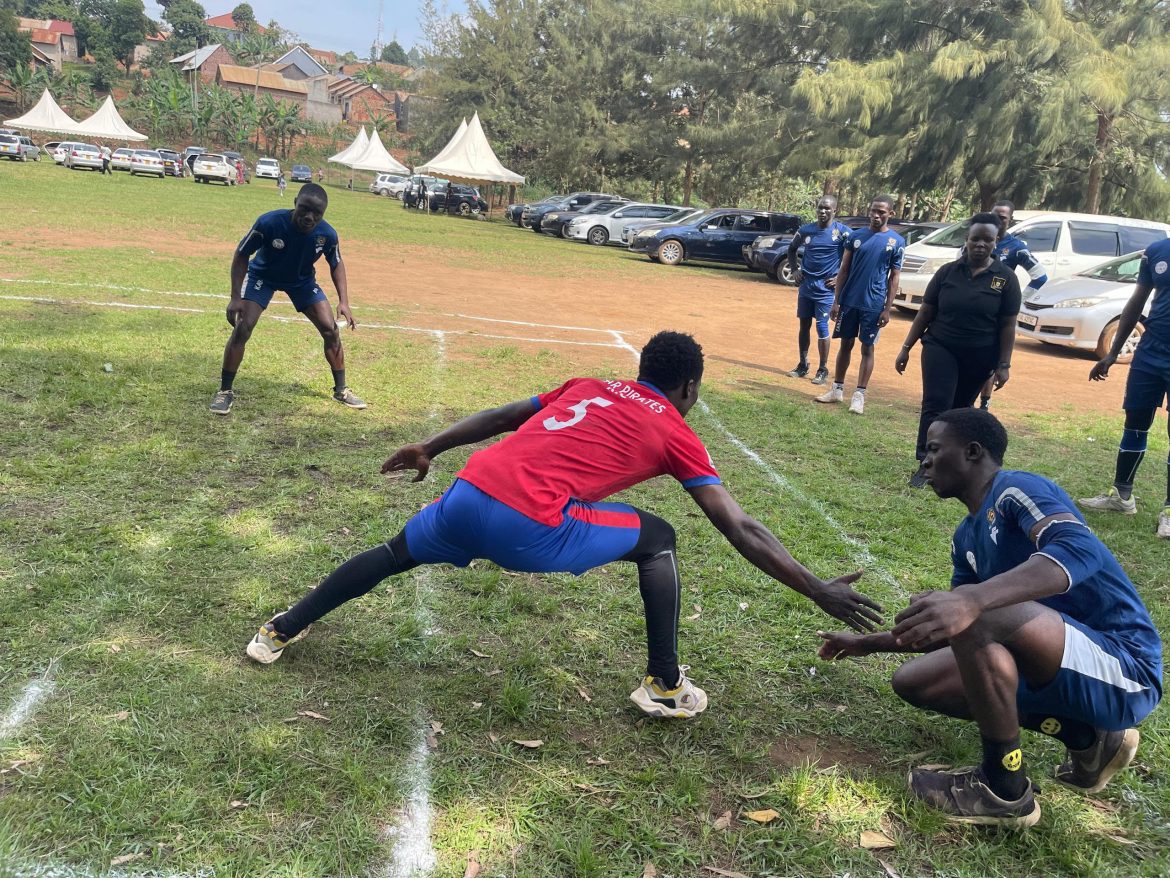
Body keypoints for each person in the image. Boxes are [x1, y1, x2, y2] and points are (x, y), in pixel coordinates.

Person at [245, 331, 884, 717]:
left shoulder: (588, 383)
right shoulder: (676, 429)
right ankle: (663, 684)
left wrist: (430, 448)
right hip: (528, 523)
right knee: (659, 539)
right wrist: (815, 587)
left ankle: (279, 629)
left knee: (391, 555)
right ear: (688, 387)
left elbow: (502, 417)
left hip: (469, 489)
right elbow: (738, 527)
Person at [818, 408, 1162, 827]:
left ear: (973, 451)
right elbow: (955, 627)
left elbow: (1080, 550)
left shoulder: (1016, 488)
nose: (923, 462)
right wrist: (868, 644)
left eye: (933, 449)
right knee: (914, 680)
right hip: (1060, 662)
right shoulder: (966, 537)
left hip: (1125, 668)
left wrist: (971, 601)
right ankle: (1085, 735)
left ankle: (1004, 789)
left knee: (972, 610)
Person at [209, 183, 365, 416]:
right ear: (295, 203)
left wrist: (344, 301)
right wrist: (235, 298)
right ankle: (224, 391)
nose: (309, 217)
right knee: (243, 327)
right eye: (304, 209)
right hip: (263, 276)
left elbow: (336, 263)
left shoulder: (327, 235)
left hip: (301, 281)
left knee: (331, 329)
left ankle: (341, 390)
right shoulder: (269, 223)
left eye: (317, 213)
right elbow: (242, 254)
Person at [896, 213, 1021, 487]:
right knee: (936, 404)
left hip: (980, 355)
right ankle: (925, 463)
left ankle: (952, 464)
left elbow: (1008, 325)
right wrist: (906, 347)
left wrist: (1004, 364)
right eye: (975, 238)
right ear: (967, 239)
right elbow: (926, 311)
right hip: (941, 346)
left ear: (996, 242)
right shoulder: (947, 273)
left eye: (987, 240)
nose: (980, 244)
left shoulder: (1006, 279)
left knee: (962, 411)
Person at [1079, 237, 1170, 539]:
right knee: (1135, 424)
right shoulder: (1157, 250)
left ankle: (1169, 511)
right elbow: (1137, 302)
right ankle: (1122, 496)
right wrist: (1113, 352)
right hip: (1150, 353)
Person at [815, 195, 905, 414]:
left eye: (881, 212)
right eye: (874, 211)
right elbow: (843, 270)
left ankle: (859, 395)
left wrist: (887, 308)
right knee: (845, 344)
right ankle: (837, 389)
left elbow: (894, 277)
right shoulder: (855, 237)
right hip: (849, 302)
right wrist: (837, 301)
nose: (876, 215)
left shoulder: (896, 242)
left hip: (873, 304)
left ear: (890, 214)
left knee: (867, 347)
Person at [977, 200, 1049, 409]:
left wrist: (1017, 300)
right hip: (972, 310)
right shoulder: (974, 240)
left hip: (997, 315)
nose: (998, 221)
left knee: (990, 361)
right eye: (995, 216)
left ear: (1010, 220)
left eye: (1003, 218)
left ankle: (984, 404)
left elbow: (1040, 276)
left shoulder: (1016, 247)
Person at [785, 196, 851, 385]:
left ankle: (823, 369)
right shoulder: (806, 230)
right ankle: (802, 364)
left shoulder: (842, 233)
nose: (823, 211)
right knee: (803, 326)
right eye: (820, 208)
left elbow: (853, 257)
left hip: (826, 290)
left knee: (822, 328)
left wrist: (839, 277)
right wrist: (795, 269)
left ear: (834, 211)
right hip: (806, 287)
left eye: (827, 209)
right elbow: (791, 249)